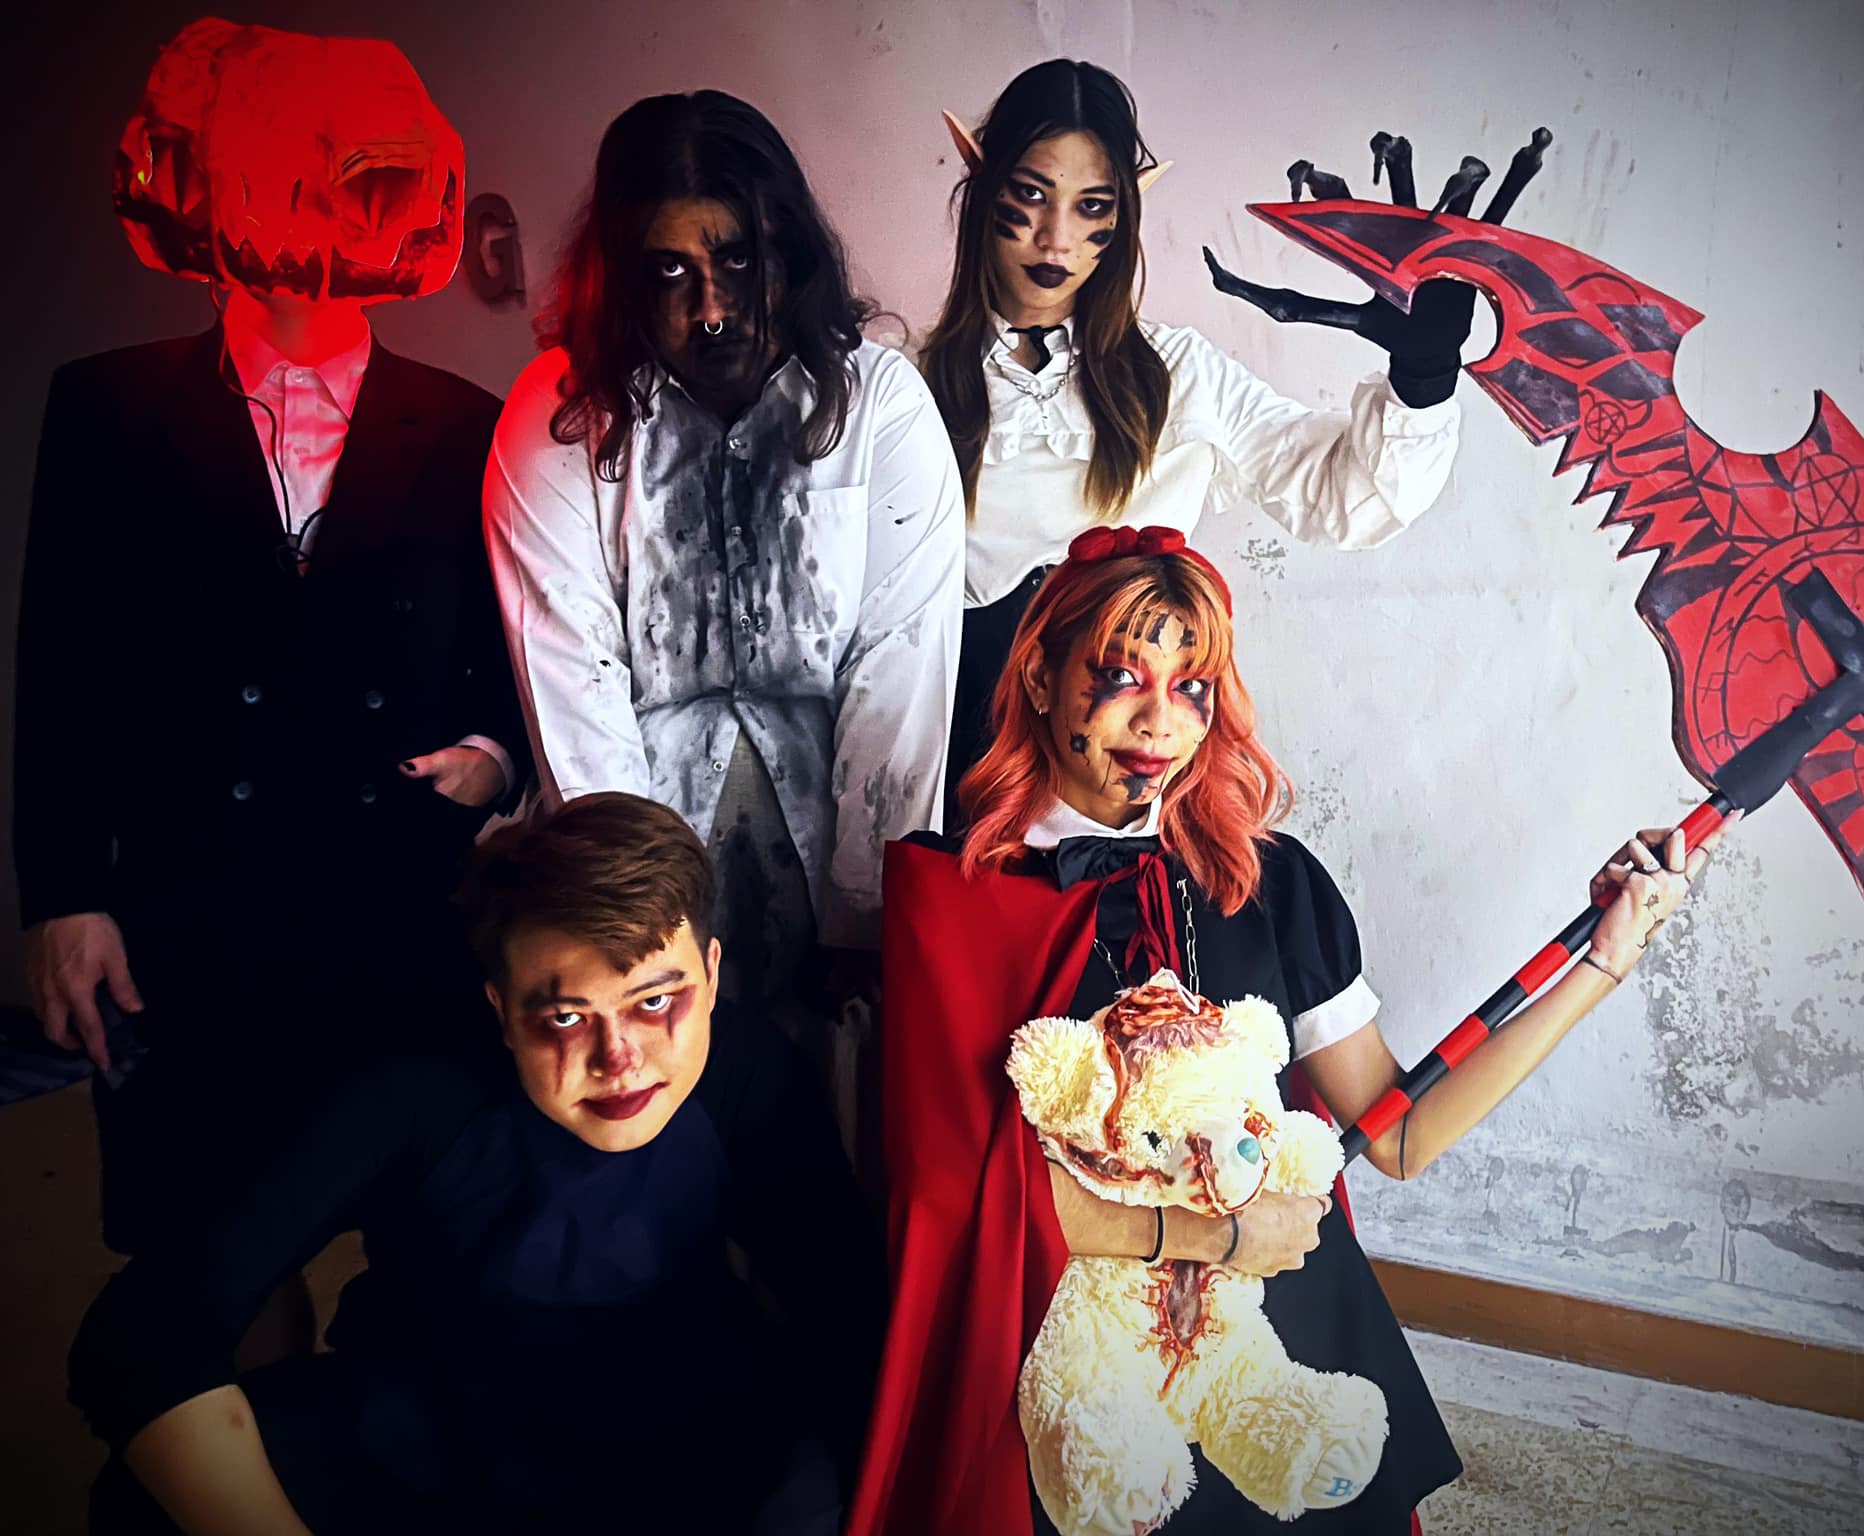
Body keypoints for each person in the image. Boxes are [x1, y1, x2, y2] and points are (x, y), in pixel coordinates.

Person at [850, 528, 1733, 1535]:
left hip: (1269, 1335)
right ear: (1041, 679)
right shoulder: (948, 897)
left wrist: (1603, 963)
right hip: (1070, 1365)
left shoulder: (1268, 885)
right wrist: (1220, 1236)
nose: (1159, 719)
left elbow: (1398, 1133)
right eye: (1121, 675)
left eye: (1191, 686)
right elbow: (956, 1199)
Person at [16, 20, 524, 1260]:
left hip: (396, 906)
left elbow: (509, 647)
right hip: (186, 912)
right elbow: (60, 673)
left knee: (422, 1249)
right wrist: (65, 896)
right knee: (209, 1256)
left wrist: (495, 758)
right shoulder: (103, 406)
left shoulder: (471, 423)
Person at [70, 792, 883, 1535]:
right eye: (566, 1017)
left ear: (710, 974)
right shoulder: (410, 1079)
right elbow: (146, 1332)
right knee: (145, 1502)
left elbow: (852, 1318)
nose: (621, 1060)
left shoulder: (747, 1070)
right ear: (499, 1006)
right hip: (428, 1439)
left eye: (654, 1002)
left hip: (690, 1446)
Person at [484, 92, 965, 1033]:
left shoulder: (879, 403)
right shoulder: (560, 416)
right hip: (631, 837)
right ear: (622, 274)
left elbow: (902, 670)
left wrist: (868, 917)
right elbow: (573, 679)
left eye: (738, 259)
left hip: (839, 836)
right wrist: (635, 938)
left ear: (789, 250)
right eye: (670, 270)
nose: (711, 309)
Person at [926, 59, 1476, 800]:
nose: (1057, 238)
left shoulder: (1180, 374)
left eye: (1092, 206)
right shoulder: (904, 383)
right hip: (960, 784)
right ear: (983, 186)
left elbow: (1343, 499)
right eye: (1031, 195)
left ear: (1123, 215)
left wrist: (1423, 378)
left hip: (1133, 790)